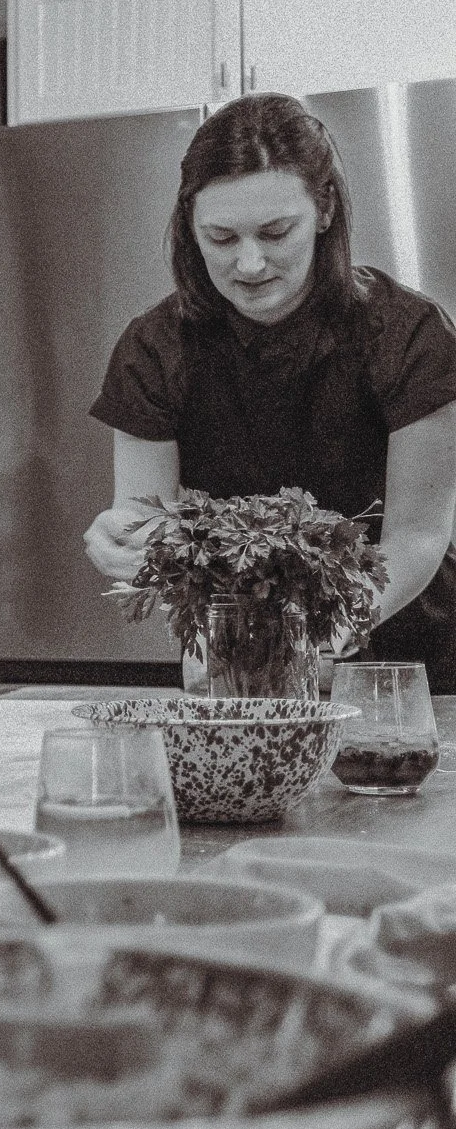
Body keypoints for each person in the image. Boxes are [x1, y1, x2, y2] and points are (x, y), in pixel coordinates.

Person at [84, 92, 456, 689]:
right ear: (190, 228)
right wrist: (125, 542)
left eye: (276, 232)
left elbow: (417, 534)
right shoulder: (156, 348)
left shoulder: (408, 336)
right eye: (222, 238)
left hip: (406, 665)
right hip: (232, 659)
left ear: (326, 209)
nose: (250, 264)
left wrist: (318, 632)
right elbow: (146, 515)